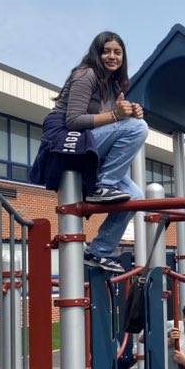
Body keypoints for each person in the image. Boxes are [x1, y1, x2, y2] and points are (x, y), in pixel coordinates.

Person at [48, 31, 148, 272]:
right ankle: (103, 183)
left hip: (90, 145)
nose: (112, 56)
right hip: (67, 143)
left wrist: (128, 110)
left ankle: (98, 251)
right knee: (137, 129)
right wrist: (117, 116)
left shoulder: (113, 85)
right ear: (96, 53)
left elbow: (112, 123)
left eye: (117, 52)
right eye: (106, 51)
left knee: (135, 198)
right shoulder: (86, 74)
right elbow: (73, 120)